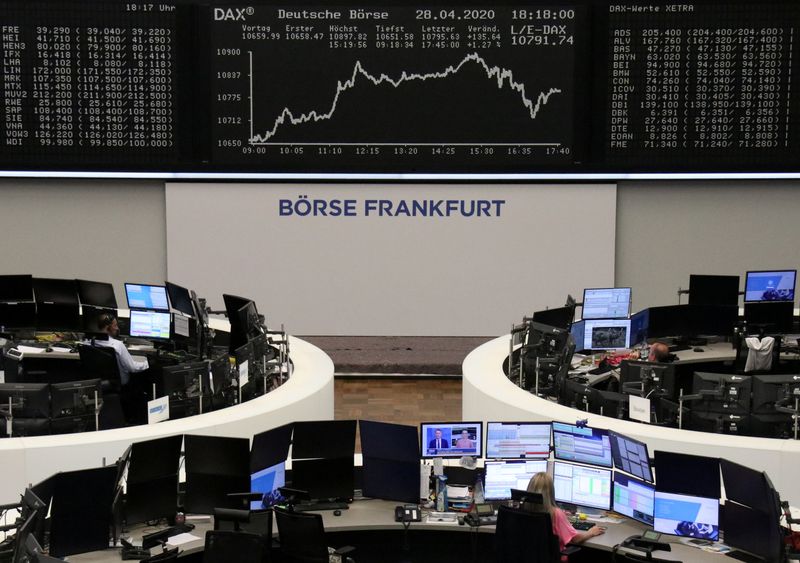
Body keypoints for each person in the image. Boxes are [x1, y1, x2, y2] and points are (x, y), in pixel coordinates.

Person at [525, 472, 605, 554]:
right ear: (550, 492)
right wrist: (590, 532)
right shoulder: (555, 514)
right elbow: (576, 539)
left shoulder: (521, 511)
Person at [94, 313, 149, 385]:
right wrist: (147, 363)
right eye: (115, 325)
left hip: (99, 382)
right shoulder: (118, 345)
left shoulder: (90, 342)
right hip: (118, 382)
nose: (117, 328)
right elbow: (132, 368)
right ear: (108, 327)